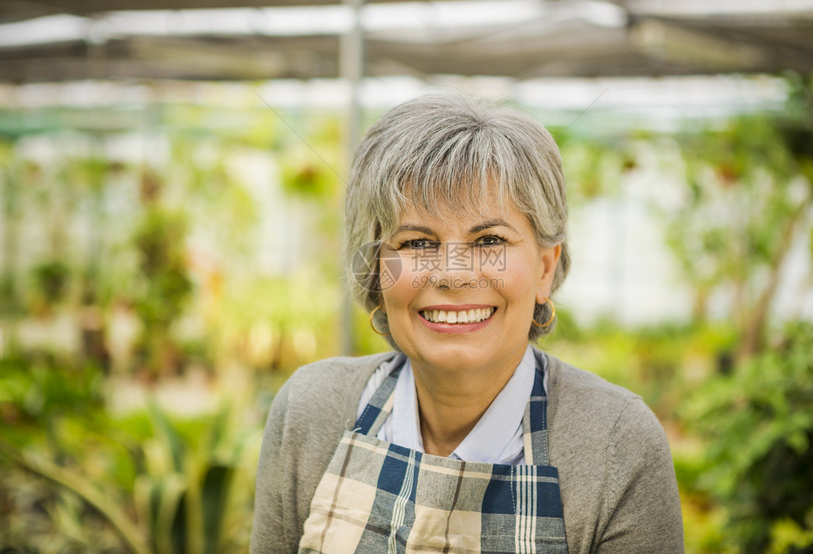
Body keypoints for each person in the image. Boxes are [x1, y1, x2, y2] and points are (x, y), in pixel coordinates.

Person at [251, 92, 684, 553]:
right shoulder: (310, 411)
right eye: (417, 243)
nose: (453, 274)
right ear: (377, 270)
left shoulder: (617, 444)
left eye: (490, 240)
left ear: (544, 268)